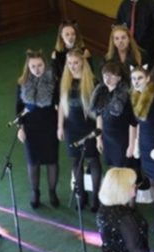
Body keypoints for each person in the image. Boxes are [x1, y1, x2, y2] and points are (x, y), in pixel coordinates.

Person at [57, 49, 101, 212]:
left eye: (76, 62)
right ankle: (81, 195)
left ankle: (96, 197)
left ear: (83, 62)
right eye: (69, 63)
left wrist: (98, 134)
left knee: (93, 160)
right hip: (71, 127)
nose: (72, 66)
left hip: (88, 126)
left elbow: (99, 111)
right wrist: (60, 126)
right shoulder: (65, 81)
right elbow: (61, 106)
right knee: (76, 161)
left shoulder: (93, 81)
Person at [15, 49, 59, 209]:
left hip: (50, 125)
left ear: (45, 64)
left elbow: (59, 104)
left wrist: (60, 126)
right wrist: (20, 128)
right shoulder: (22, 83)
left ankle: (52, 192)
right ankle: (35, 192)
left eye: (39, 65)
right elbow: (18, 108)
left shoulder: (54, 81)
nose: (37, 69)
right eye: (33, 66)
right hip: (30, 128)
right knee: (33, 162)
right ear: (28, 67)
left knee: (52, 161)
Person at [129, 65, 154, 234]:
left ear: (147, 78)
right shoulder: (135, 95)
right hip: (145, 143)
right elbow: (138, 123)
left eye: (140, 78)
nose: (136, 81)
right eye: (133, 78)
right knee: (151, 181)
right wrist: (137, 144)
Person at [91, 61, 137, 169]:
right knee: (112, 168)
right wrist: (98, 139)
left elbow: (133, 123)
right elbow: (99, 117)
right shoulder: (101, 93)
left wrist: (131, 145)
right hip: (107, 138)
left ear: (119, 78)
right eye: (105, 76)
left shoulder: (125, 96)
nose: (107, 79)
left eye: (112, 76)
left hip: (122, 140)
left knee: (124, 171)